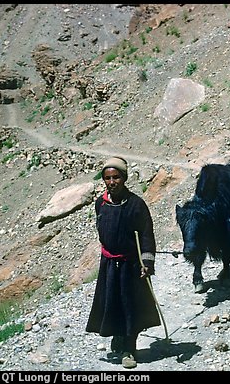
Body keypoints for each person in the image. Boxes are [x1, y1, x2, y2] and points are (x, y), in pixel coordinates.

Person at [86, 156, 161, 369]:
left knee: (131, 307)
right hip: (109, 263)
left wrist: (147, 262)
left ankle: (129, 348)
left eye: (116, 177)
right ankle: (117, 336)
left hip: (130, 265)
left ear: (124, 178)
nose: (112, 182)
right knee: (112, 303)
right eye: (108, 178)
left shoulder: (136, 205)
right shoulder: (100, 203)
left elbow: (147, 235)